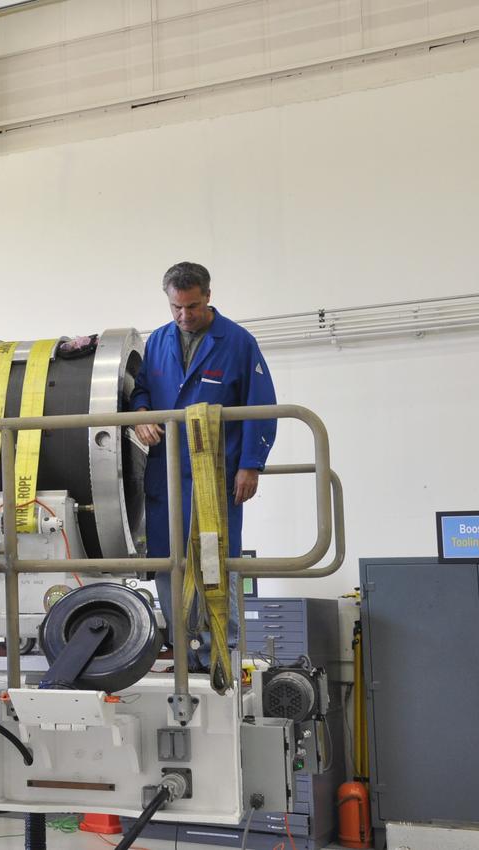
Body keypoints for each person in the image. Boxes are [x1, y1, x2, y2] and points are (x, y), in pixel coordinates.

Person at [131, 262, 276, 662]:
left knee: (213, 559)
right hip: (166, 474)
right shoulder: (158, 342)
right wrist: (142, 413)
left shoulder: (238, 343)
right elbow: (140, 390)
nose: (183, 316)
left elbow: (260, 406)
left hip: (214, 476)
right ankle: (183, 650)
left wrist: (251, 465)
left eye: (191, 307)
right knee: (167, 560)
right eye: (176, 308)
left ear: (208, 297)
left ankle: (220, 652)